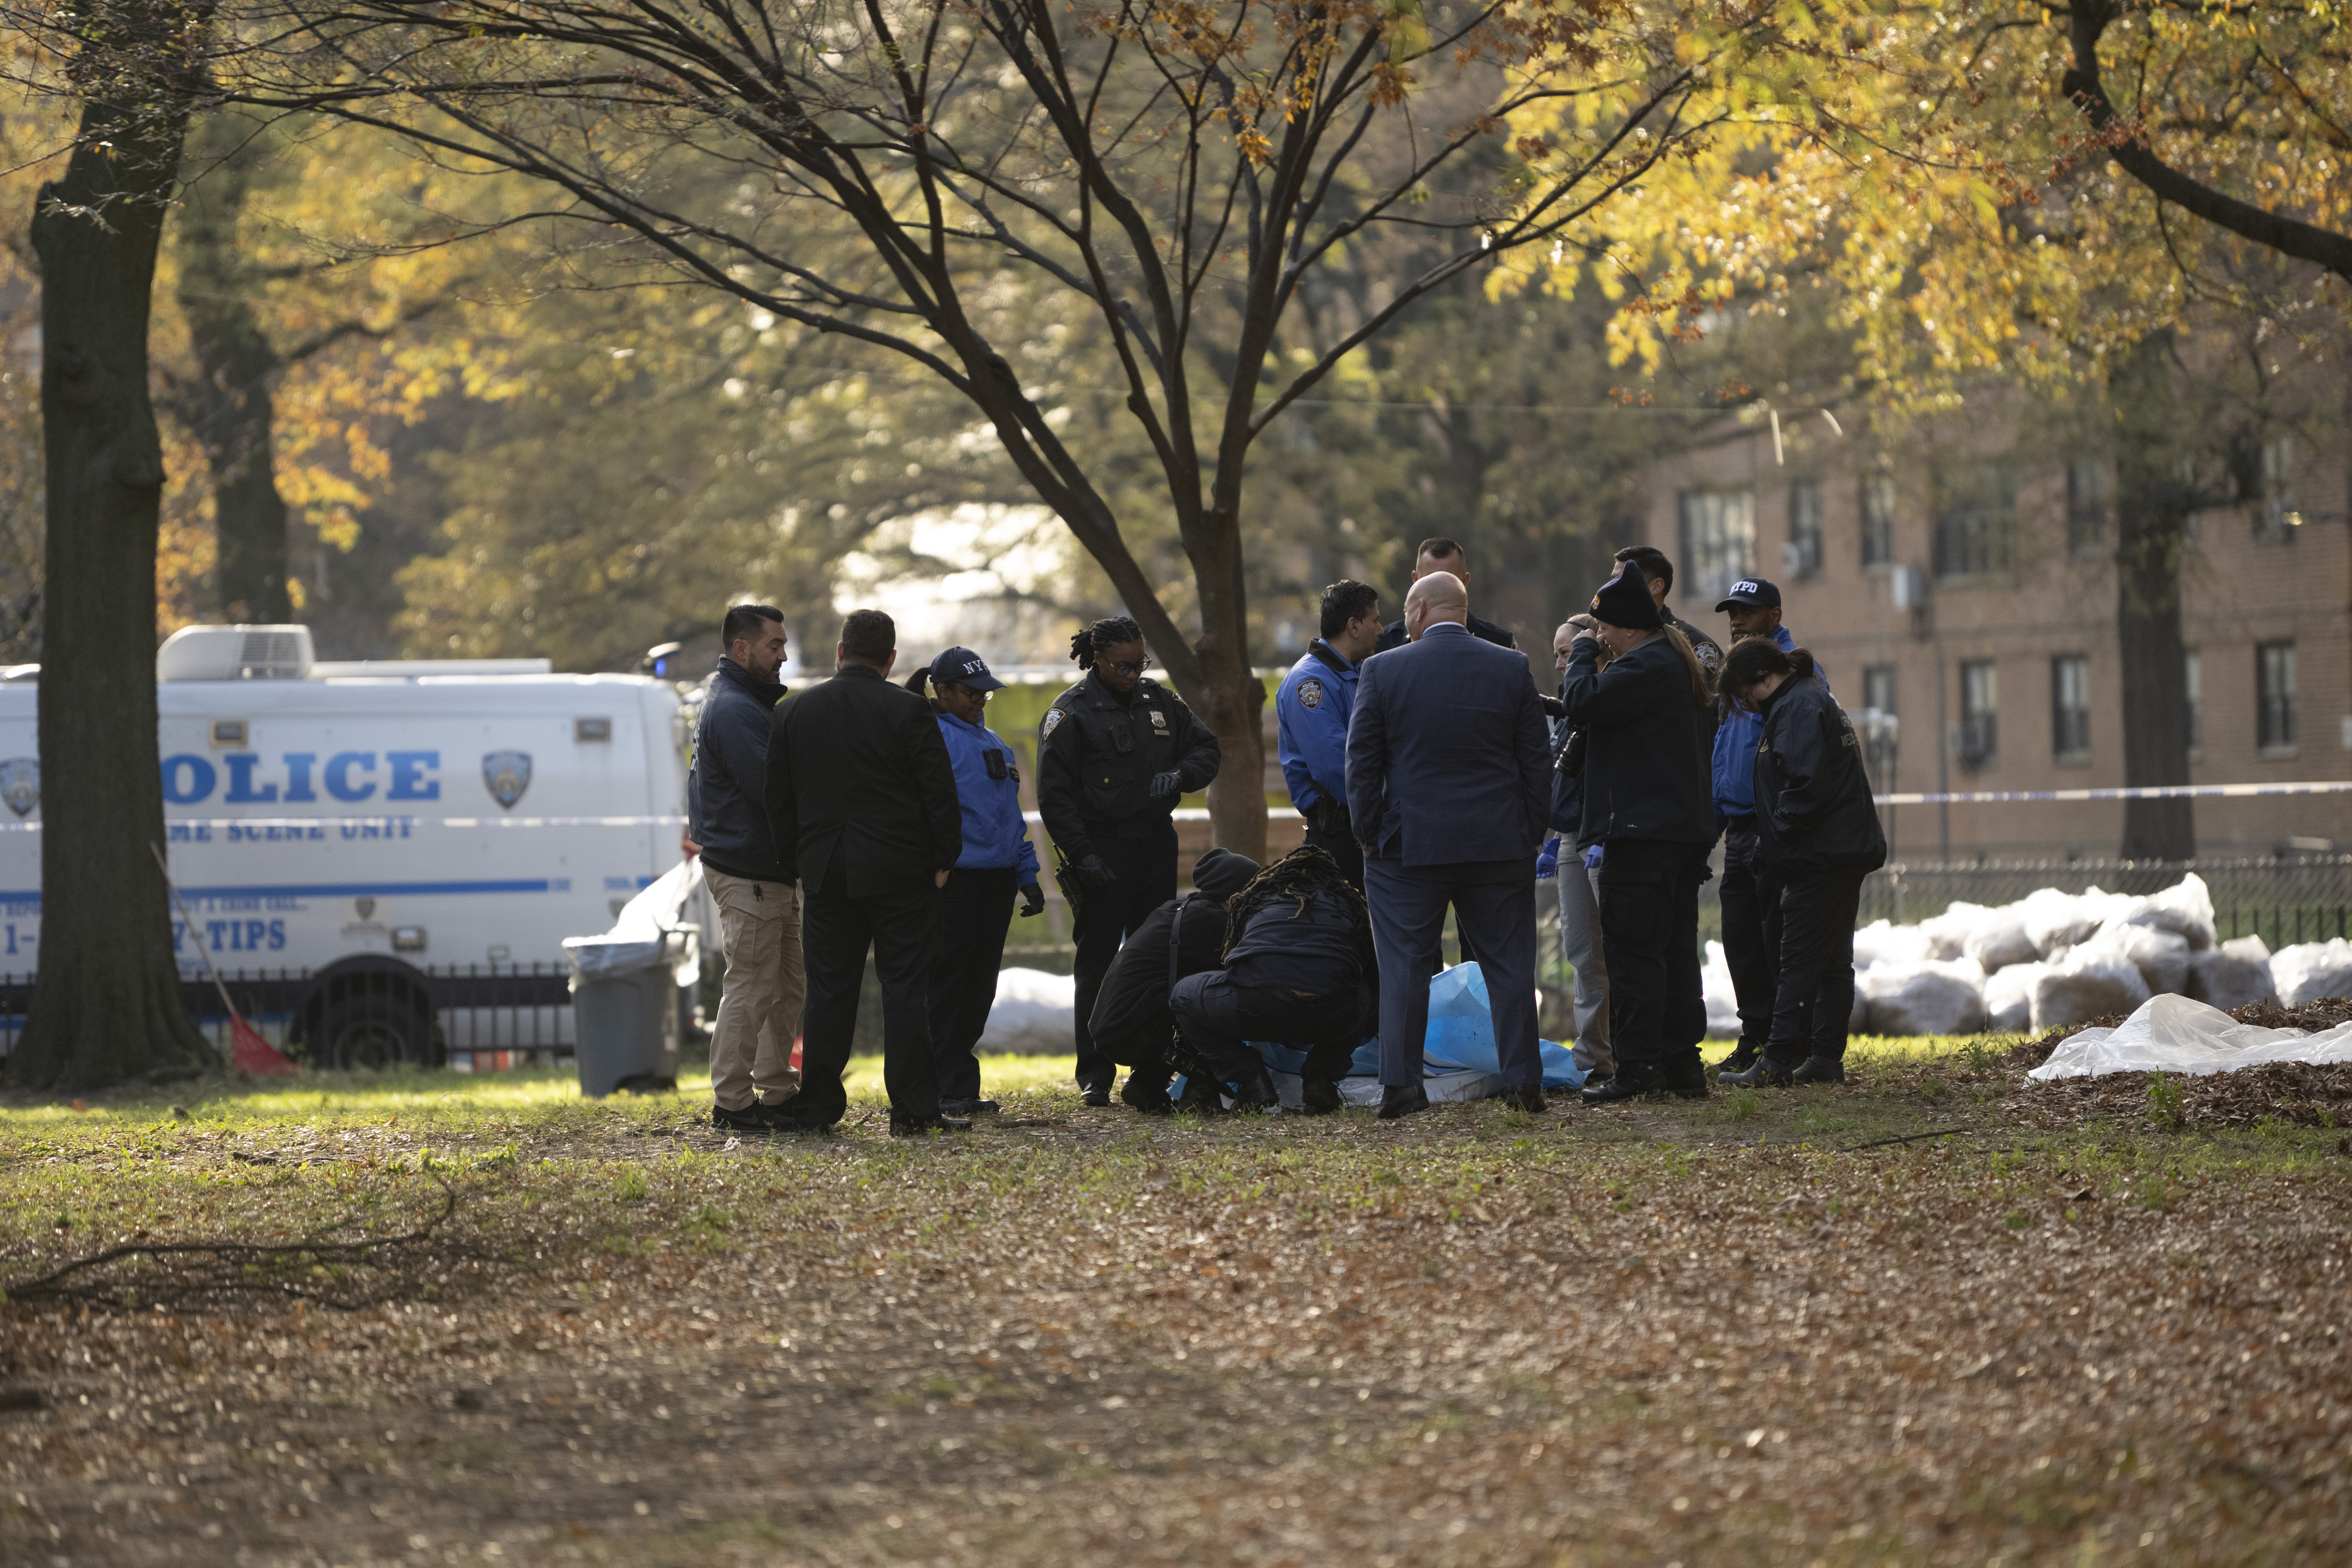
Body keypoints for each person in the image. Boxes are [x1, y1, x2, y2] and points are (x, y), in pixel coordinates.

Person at [1345, 572, 1551, 1119]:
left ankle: (1401, 1088)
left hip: (1406, 847)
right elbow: (1535, 760)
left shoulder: (1381, 670)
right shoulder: (1511, 667)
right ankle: (1523, 1082)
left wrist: (1367, 834)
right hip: (1498, 842)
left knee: (1403, 968)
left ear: (1416, 612)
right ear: (1461, 610)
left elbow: (1361, 765)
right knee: (1508, 966)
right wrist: (1530, 832)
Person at [764, 609, 966, 1136]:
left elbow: (778, 802)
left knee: (829, 991)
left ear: (839, 650)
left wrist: (796, 863)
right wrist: (944, 859)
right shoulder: (908, 712)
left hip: (828, 872)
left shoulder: (793, 713)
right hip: (902, 872)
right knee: (904, 989)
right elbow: (938, 793)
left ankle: (818, 1107)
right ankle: (913, 1109)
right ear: (891, 659)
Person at [1037, 615, 1222, 1106]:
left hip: (1154, 847)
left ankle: (1150, 1071)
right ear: (1097, 659)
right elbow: (1054, 798)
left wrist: (1181, 774)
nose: (1131, 674)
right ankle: (1094, 1072)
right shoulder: (1071, 713)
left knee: (1156, 961)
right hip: (1102, 849)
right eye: (1121, 666)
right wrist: (1083, 855)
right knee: (1096, 964)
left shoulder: (1159, 702)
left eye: (1139, 664)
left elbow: (1206, 749)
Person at [1563, 563, 1719, 1105]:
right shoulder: (1673, 663)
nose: (1599, 637)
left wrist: (1582, 655)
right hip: (1678, 832)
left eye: (1604, 629)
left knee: (1632, 954)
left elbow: (1581, 701)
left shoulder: (1645, 666)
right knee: (1673, 950)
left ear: (1627, 627)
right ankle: (1680, 1064)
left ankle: (1636, 1066)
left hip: (1642, 833)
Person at [1716, 639, 1888, 1087]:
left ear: (1759, 681)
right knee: (1832, 960)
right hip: (1839, 848)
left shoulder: (1796, 708)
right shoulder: (1807, 699)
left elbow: (1805, 785)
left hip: (1821, 854)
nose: (1742, 706)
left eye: (1740, 695)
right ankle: (1825, 1057)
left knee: (1797, 957)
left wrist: (1776, 840)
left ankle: (1777, 1060)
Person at [907, 647, 1046, 1118]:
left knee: (978, 986)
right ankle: (938, 1087)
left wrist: (1028, 876)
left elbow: (1010, 819)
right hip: (956, 880)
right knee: (945, 984)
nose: (979, 701)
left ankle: (960, 1086)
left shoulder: (994, 743)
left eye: (984, 693)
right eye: (970, 693)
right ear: (941, 691)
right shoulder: (932, 739)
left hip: (997, 880)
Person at [687, 604, 805, 1136]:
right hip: (748, 871)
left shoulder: (743, 702)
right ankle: (733, 1102)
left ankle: (777, 1091)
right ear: (742, 648)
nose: (782, 656)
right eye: (773, 646)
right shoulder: (735, 709)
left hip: (766, 870)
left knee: (784, 987)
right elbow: (769, 789)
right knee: (753, 986)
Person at [1709, 577, 1823, 1080]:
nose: (1736, 620)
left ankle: (1790, 1041)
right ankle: (1755, 1036)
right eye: (1732, 612)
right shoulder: (1737, 675)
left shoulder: (1789, 675)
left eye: (1748, 612)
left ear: (1773, 617)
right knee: (1740, 939)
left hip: (1770, 824)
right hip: (1736, 825)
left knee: (1776, 937)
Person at [1169, 846, 1378, 1115]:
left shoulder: (1259, 897)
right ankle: (1322, 1076)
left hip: (1258, 1006)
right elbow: (1374, 974)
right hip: (1333, 1014)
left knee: (1182, 995)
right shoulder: (1349, 903)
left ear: (1276, 875)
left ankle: (1250, 1078)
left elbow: (1232, 959)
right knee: (1363, 992)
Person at [1087, 847, 1261, 1114]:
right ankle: (1202, 1092)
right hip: (1135, 1028)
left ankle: (1147, 1083)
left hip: (1114, 1026)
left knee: (1187, 995)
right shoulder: (1212, 922)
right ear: (1235, 899)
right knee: (1216, 1002)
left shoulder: (1179, 910)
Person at [1537, 615, 1612, 1080]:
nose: (1561, 664)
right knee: (1582, 953)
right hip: (1569, 841)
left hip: (1605, 838)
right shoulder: (1566, 714)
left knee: (1620, 950)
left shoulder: (1603, 702)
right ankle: (1594, 1060)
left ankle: (1639, 1050)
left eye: (1568, 653)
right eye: (1557, 656)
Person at [1277, 581, 1382, 890]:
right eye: (1375, 620)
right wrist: (1379, 820)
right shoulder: (1310, 683)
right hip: (1344, 835)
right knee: (1346, 932)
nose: (1381, 630)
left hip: (1364, 827)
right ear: (1353, 626)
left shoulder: (1357, 672)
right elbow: (1335, 767)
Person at [1373, 539, 1518, 653]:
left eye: (1449, 580)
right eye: (1429, 581)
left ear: (1465, 582)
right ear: (1415, 581)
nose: (1439, 589)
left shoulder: (1500, 643)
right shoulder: (1383, 643)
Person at [1612, 545, 1724, 687]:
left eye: (1623, 580)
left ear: (1656, 587)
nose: (1613, 588)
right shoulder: (1608, 637)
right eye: (1613, 580)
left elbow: (1716, 701)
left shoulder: (1693, 643)